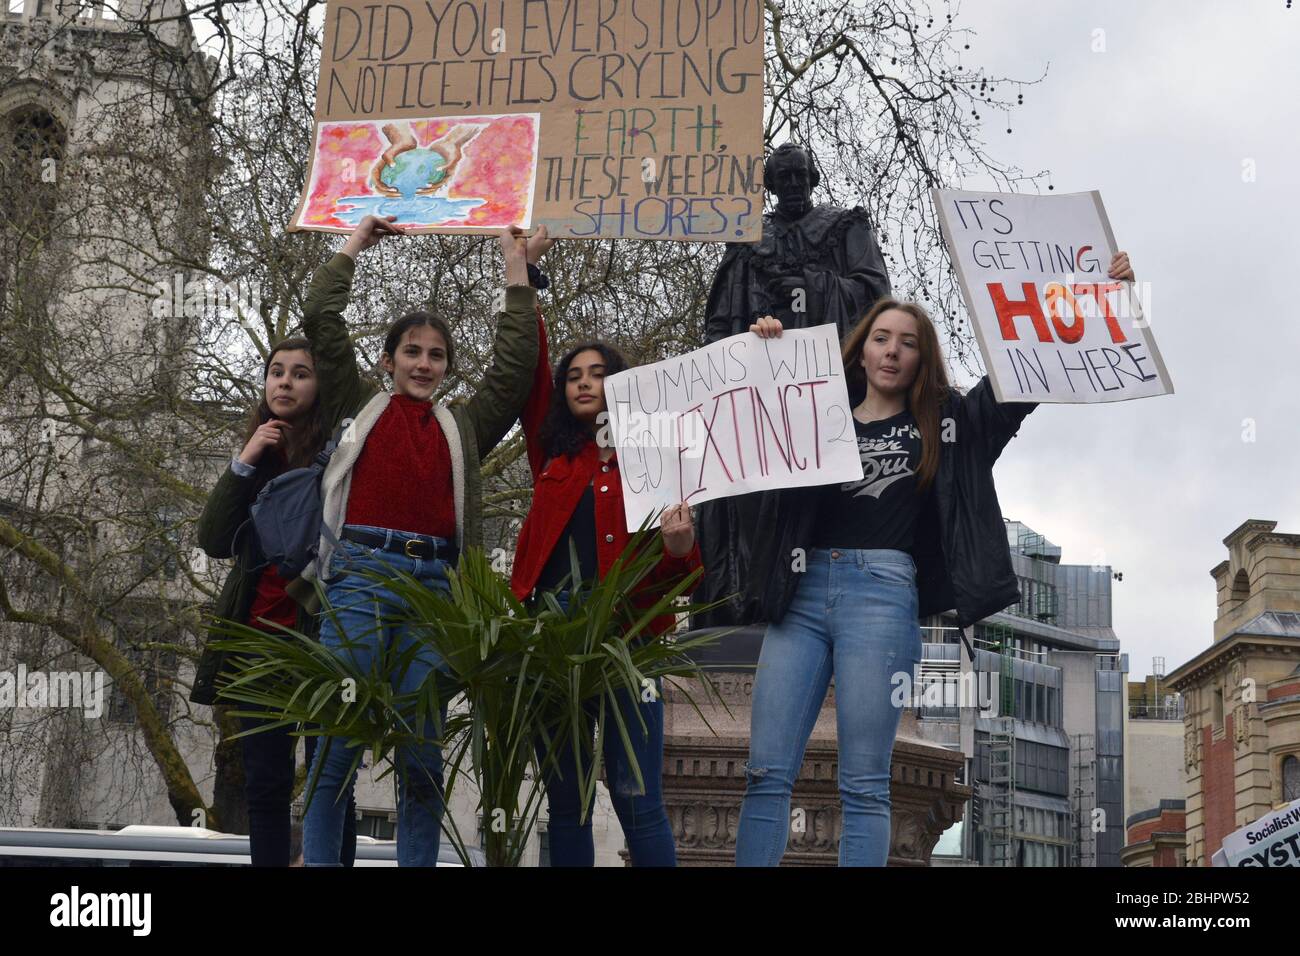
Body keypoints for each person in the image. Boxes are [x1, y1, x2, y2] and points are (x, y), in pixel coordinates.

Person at [733, 252, 1135, 866]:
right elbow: (747, 423)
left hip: (883, 597)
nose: (892, 351)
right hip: (803, 592)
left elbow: (1019, 376)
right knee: (766, 773)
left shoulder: (948, 424)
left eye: (908, 343)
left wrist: (1094, 299)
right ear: (861, 350)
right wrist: (765, 350)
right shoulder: (817, 413)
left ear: (923, 359)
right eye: (881, 338)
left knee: (865, 783)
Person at [296, 214, 545, 867]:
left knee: (421, 757)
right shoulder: (356, 405)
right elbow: (321, 317)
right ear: (389, 360)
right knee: (335, 748)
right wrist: (356, 242)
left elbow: (515, 368)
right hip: (359, 577)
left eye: (436, 355)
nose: (425, 364)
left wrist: (515, 267)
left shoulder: (462, 428)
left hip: (434, 591)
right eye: (413, 352)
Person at [508, 329, 701, 866]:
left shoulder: (653, 458)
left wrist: (681, 548)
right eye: (574, 377)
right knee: (566, 800)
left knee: (638, 798)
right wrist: (522, 274)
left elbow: (680, 572)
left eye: (598, 374)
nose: (584, 384)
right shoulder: (551, 450)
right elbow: (530, 365)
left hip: (630, 643)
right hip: (553, 640)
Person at [191, 338, 357, 867]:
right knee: (265, 789)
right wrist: (245, 459)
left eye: (300, 373)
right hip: (254, 647)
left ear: (319, 386)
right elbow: (214, 539)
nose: (284, 382)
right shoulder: (256, 457)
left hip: (321, 643)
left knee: (333, 784)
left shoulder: (342, 455)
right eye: (276, 372)